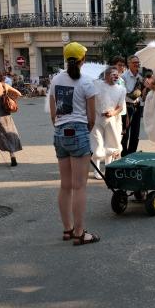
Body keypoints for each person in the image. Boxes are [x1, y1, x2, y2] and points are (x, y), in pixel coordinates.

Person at [48, 42, 99, 246]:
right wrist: (83, 134)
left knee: (65, 185)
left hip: (60, 132)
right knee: (79, 187)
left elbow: (53, 114)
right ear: (82, 60)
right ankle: (80, 233)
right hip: (78, 131)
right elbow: (91, 117)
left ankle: (68, 229)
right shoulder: (87, 82)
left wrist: (61, 127)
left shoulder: (55, 80)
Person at [90, 66, 125, 179]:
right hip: (97, 119)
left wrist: (113, 112)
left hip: (112, 120)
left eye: (117, 74)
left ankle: (108, 168)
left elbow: (120, 107)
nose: (116, 76)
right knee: (98, 144)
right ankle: (97, 170)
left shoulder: (121, 89)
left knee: (111, 144)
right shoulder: (97, 84)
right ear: (106, 76)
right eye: (113, 74)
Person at [120, 55, 144, 156]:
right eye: (134, 62)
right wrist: (135, 94)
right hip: (127, 106)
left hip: (138, 106)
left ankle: (132, 153)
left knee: (136, 132)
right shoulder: (123, 77)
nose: (136, 64)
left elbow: (142, 94)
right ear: (129, 64)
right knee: (126, 131)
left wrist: (145, 89)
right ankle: (124, 153)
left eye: (138, 62)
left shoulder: (140, 77)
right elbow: (122, 93)